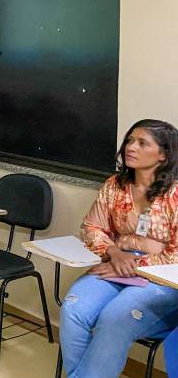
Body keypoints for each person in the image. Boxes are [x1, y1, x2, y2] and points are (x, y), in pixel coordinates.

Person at [60, 119, 178, 378]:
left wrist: (134, 266)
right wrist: (115, 254)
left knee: (115, 318)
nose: (131, 147)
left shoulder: (175, 193)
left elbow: (176, 254)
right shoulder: (115, 185)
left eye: (142, 143)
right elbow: (92, 227)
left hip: (161, 275)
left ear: (163, 154)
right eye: (130, 140)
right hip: (115, 262)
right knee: (73, 308)